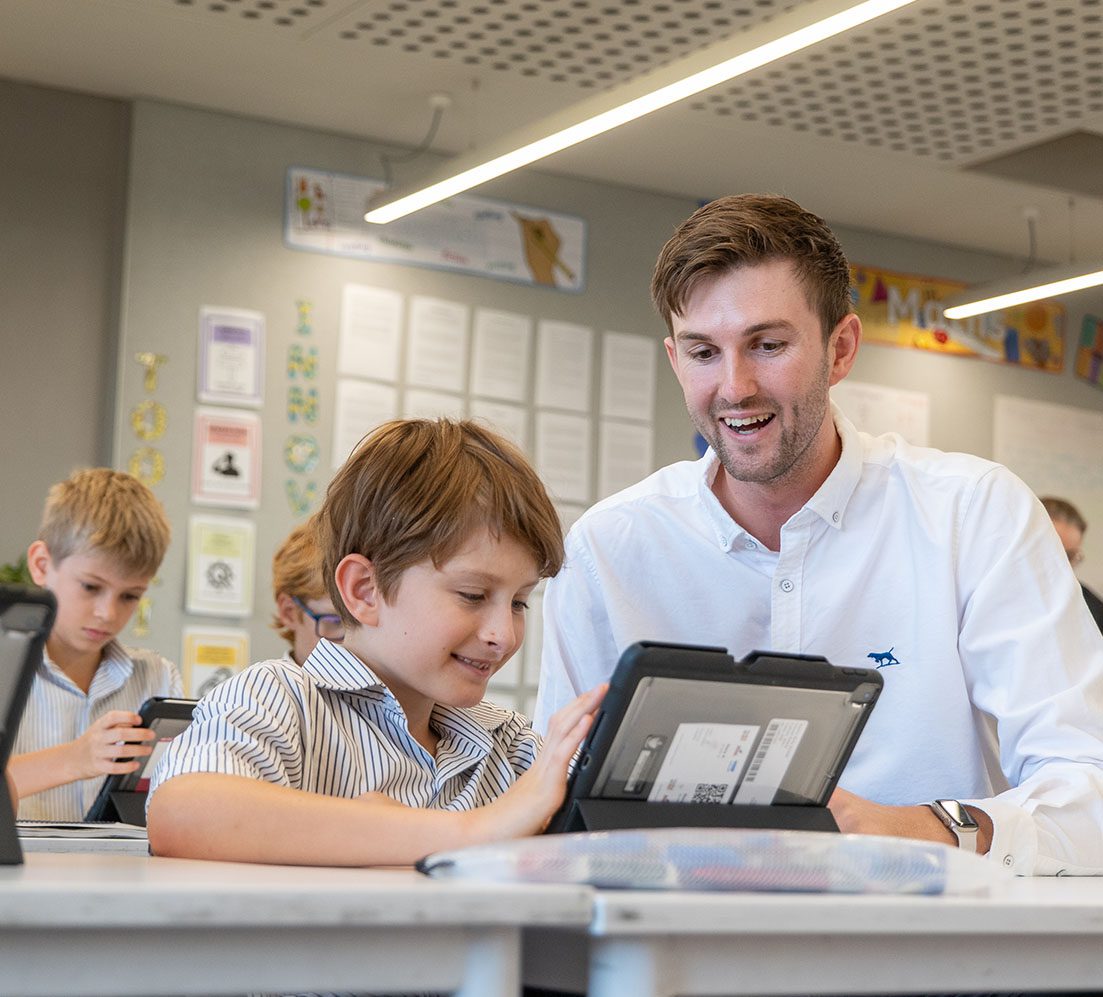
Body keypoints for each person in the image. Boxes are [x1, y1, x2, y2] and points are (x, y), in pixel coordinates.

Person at [535, 193, 1103, 876]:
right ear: (673, 357)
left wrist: (931, 826)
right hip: (681, 959)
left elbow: (1088, 786)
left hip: (935, 961)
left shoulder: (973, 515)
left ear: (840, 349)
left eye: (767, 345)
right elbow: (556, 810)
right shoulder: (609, 549)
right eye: (702, 352)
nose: (733, 386)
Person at [147, 419, 605, 865]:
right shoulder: (281, 699)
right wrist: (474, 830)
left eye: (520, 603)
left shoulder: (510, 744)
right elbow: (182, 812)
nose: (502, 635)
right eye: (472, 595)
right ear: (365, 591)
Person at [8, 468, 182, 820]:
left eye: (130, 596)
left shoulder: (159, 679)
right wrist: (76, 758)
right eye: (90, 587)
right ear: (42, 565)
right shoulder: (5, 668)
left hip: (122, 872)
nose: (107, 613)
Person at [271, 518, 344, 665]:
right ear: (288, 611)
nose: (353, 642)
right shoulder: (259, 687)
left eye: (362, 624)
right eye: (335, 622)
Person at [1041, 496, 1103, 633]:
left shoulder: (1092, 611)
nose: (1062, 565)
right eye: (1054, 552)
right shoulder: (991, 590)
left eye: (1069, 556)